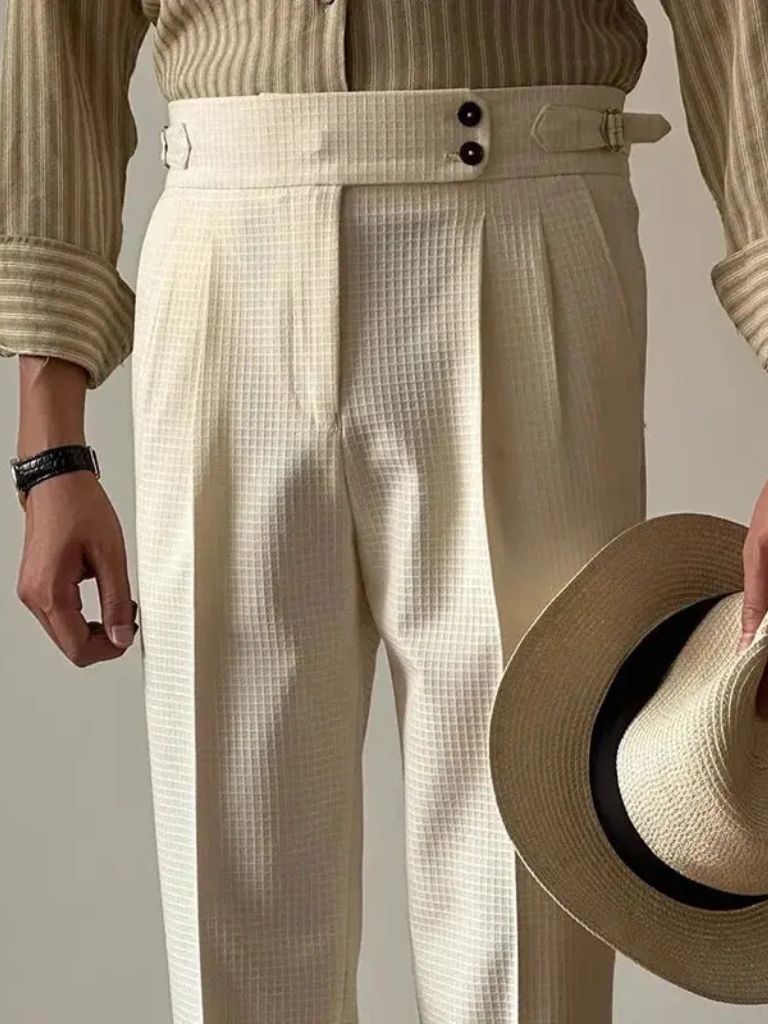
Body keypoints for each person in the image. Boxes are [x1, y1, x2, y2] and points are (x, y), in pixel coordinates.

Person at [1, 3, 766, 1023]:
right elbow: (56, 34)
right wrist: (50, 439)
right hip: (229, 245)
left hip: (522, 219)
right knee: (236, 885)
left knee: (528, 862)